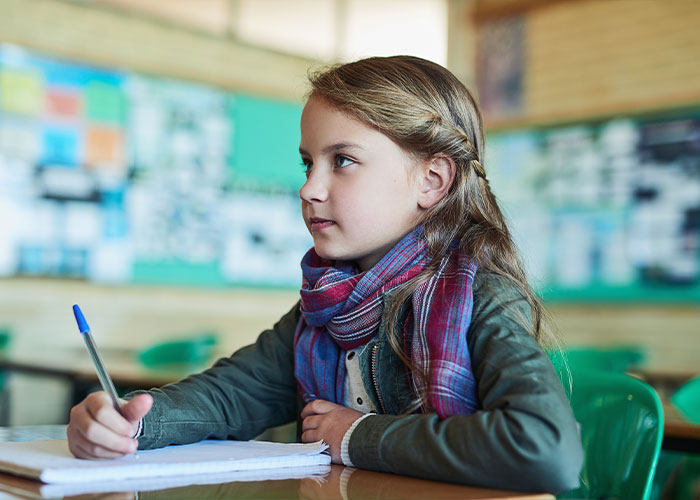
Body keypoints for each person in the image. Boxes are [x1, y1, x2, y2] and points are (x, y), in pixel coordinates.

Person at [67, 55, 583, 494]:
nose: (309, 188)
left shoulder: (480, 295)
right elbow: (230, 396)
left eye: (343, 161)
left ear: (431, 180)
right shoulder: (328, 301)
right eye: (307, 163)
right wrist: (127, 422)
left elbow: (544, 449)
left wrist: (358, 435)